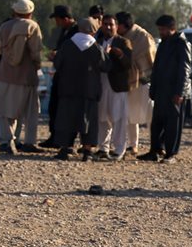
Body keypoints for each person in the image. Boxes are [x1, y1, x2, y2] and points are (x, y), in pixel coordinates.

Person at [52, 17, 107, 161]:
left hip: (68, 89)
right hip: (89, 90)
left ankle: (65, 149)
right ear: (94, 31)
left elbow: (58, 64)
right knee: (88, 120)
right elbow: (106, 66)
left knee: (66, 118)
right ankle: (87, 151)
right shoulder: (96, 47)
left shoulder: (67, 45)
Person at [139, 15, 191, 163]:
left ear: (172, 28)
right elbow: (156, 68)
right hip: (161, 90)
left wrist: (179, 92)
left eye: (163, 29)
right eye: (159, 29)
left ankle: (171, 154)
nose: (160, 32)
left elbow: (184, 70)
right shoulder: (164, 43)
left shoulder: (181, 44)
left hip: (174, 92)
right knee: (157, 123)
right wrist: (153, 88)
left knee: (172, 125)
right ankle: (154, 150)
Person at [0, 0, 44, 154]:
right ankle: (28, 142)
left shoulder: (4, 27)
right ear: (30, 13)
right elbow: (36, 52)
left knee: (5, 110)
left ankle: (6, 141)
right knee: (30, 111)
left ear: (14, 11)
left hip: (6, 74)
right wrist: (38, 65)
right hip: (27, 76)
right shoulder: (33, 26)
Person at [117, 11, 155, 157]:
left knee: (150, 115)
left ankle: (155, 146)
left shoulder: (142, 36)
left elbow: (150, 59)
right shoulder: (121, 38)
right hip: (127, 81)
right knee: (128, 115)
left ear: (123, 25)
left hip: (145, 81)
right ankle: (132, 145)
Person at [40, 5, 77, 148]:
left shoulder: (76, 31)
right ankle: (54, 136)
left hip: (69, 77)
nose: (56, 22)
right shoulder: (64, 31)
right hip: (60, 74)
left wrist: (59, 55)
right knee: (54, 106)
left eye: (57, 19)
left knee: (64, 108)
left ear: (65, 18)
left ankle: (64, 140)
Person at [97, 14, 132, 160]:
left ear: (116, 26)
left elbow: (129, 64)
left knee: (118, 118)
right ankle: (103, 148)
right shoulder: (96, 41)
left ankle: (119, 150)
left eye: (111, 24)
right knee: (102, 118)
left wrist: (120, 55)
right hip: (101, 84)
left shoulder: (123, 42)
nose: (108, 27)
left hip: (117, 86)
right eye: (105, 24)